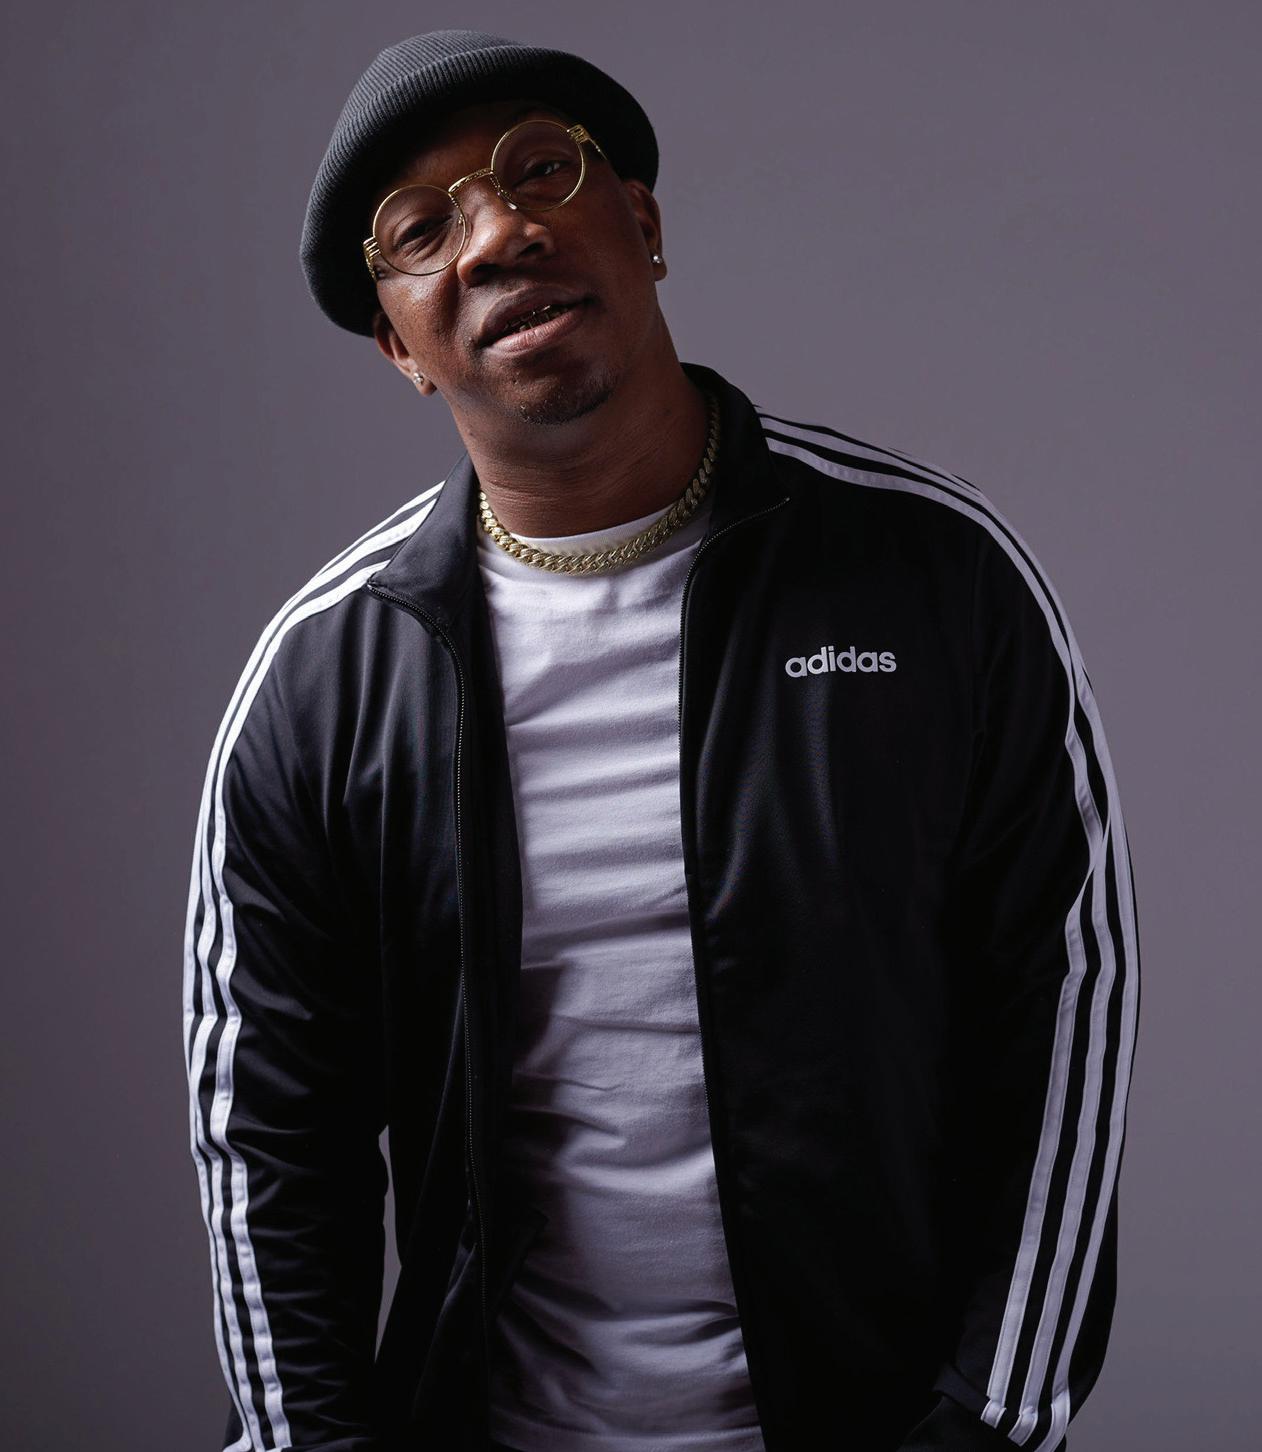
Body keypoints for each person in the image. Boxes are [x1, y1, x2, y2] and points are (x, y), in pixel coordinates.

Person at [183, 28, 1140, 1452]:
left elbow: (1064, 1008)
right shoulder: (324, 679)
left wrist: (987, 1428)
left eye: (540, 171)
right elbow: (269, 1133)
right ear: (397, 344)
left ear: (641, 220)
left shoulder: (929, 576)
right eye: (422, 231)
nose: (499, 235)